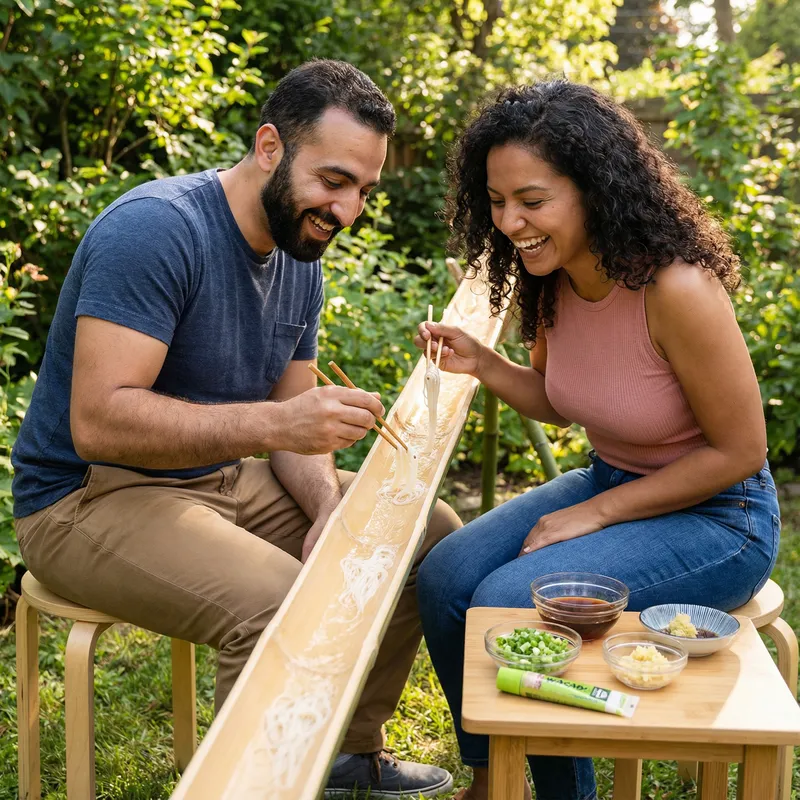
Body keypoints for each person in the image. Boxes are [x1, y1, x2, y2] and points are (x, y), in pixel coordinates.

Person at [12, 59, 459, 799]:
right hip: (85, 498)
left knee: (421, 529)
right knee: (279, 602)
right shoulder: (157, 230)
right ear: (270, 148)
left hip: (214, 481)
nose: (346, 210)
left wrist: (324, 506)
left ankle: (345, 755)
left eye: (363, 192)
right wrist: (278, 421)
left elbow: (291, 433)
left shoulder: (300, 263)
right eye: (334, 180)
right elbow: (98, 421)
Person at [414, 80, 780, 800]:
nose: (511, 220)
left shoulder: (676, 290)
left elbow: (740, 451)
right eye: (496, 200)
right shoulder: (547, 278)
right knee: (447, 576)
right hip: (613, 478)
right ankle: (495, 777)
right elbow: (558, 399)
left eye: (533, 199)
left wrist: (595, 512)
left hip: (720, 515)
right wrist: (483, 364)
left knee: (515, 594)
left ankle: (560, 795)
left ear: (594, 190)